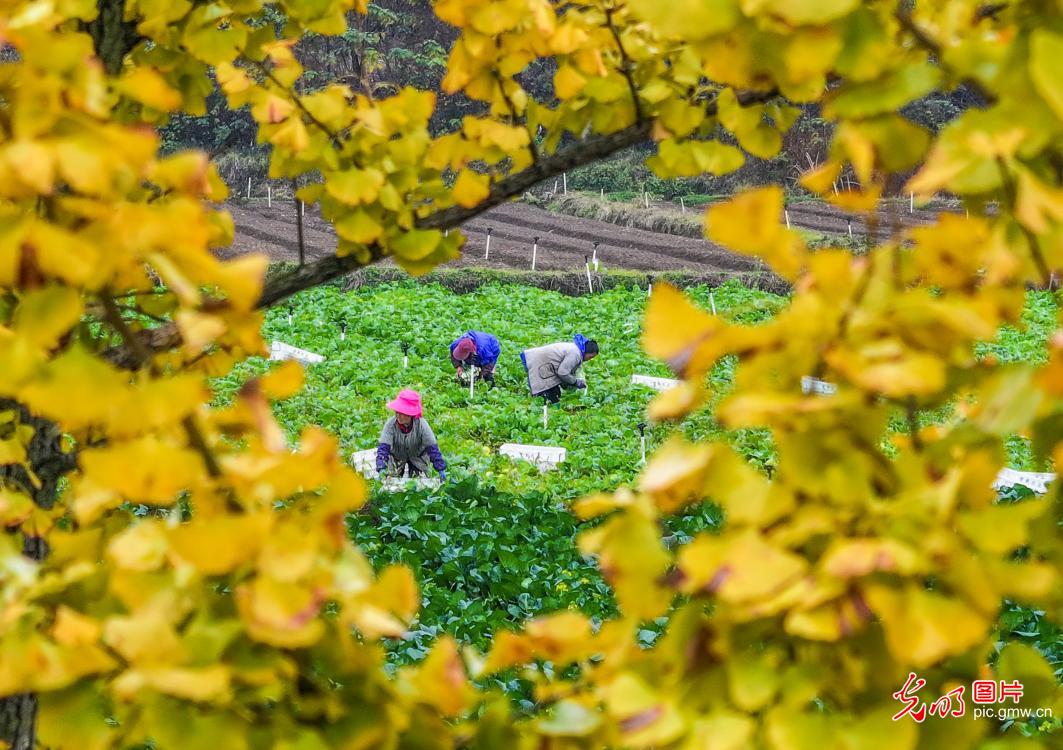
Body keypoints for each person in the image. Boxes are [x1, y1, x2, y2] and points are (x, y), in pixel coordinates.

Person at [376, 389, 447, 480]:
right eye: (397, 412)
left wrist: (440, 468)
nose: (398, 416)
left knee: (417, 483)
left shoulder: (421, 424)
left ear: (410, 414)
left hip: (417, 457)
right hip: (396, 457)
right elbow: (383, 448)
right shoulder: (390, 424)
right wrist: (381, 468)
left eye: (402, 413)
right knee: (392, 484)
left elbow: (432, 448)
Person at [520, 334, 599, 404]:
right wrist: (575, 382)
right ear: (586, 352)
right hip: (537, 362)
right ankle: (546, 413)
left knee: (552, 393)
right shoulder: (575, 353)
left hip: (536, 360)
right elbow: (563, 373)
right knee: (546, 394)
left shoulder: (575, 350)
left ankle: (548, 411)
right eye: (590, 357)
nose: (589, 359)